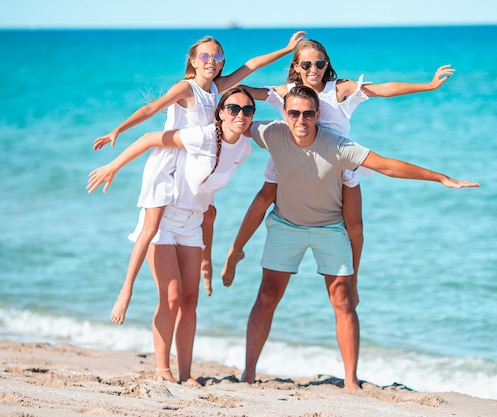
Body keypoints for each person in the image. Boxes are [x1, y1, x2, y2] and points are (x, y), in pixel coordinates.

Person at [240, 86, 479, 390]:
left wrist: (442, 178)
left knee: (342, 298)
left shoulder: (339, 146)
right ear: (285, 114)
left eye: (308, 113)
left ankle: (351, 380)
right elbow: (233, 119)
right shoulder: (271, 133)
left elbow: (388, 166)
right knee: (267, 295)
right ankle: (248, 374)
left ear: (318, 115)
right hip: (287, 225)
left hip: (330, 226)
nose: (301, 119)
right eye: (294, 113)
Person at [92, 31, 305, 326]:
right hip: (169, 161)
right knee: (151, 225)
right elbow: (152, 109)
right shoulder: (186, 88)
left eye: (217, 57)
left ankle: (205, 262)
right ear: (193, 61)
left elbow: (251, 65)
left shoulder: (218, 88)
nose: (212, 61)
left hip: (201, 163)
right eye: (205, 56)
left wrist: (287, 49)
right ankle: (125, 290)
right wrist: (118, 131)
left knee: (209, 213)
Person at [222, 38, 454, 305]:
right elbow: (237, 90)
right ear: (296, 66)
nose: (313, 69)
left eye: (320, 63)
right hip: (291, 158)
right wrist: (210, 86)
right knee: (262, 200)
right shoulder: (288, 92)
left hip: (338, 162)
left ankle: (352, 280)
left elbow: (384, 89)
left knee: (355, 226)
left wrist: (428, 85)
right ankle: (235, 251)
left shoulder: (339, 89)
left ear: (326, 65)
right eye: (306, 64)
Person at [87, 87, 257, 384]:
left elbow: (211, 205)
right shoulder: (201, 136)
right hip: (165, 219)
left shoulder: (244, 148)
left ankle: (186, 374)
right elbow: (151, 138)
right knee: (172, 295)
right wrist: (113, 166)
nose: (240, 115)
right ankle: (162, 370)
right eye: (233, 108)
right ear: (220, 112)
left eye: (247, 110)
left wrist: (208, 261)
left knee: (190, 301)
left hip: (193, 223)